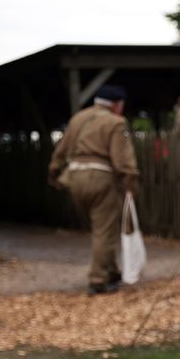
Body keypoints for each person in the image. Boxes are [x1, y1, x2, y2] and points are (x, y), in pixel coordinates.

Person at [48, 84, 139, 295]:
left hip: (75, 178)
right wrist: (130, 182)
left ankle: (111, 270)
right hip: (99, 176)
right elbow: (122, 158)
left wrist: (53, 172)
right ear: (116, 105)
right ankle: (98, 279)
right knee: (104, 230)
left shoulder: (78, 118)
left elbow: (60, 150)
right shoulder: (116, 122)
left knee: (100, 229)